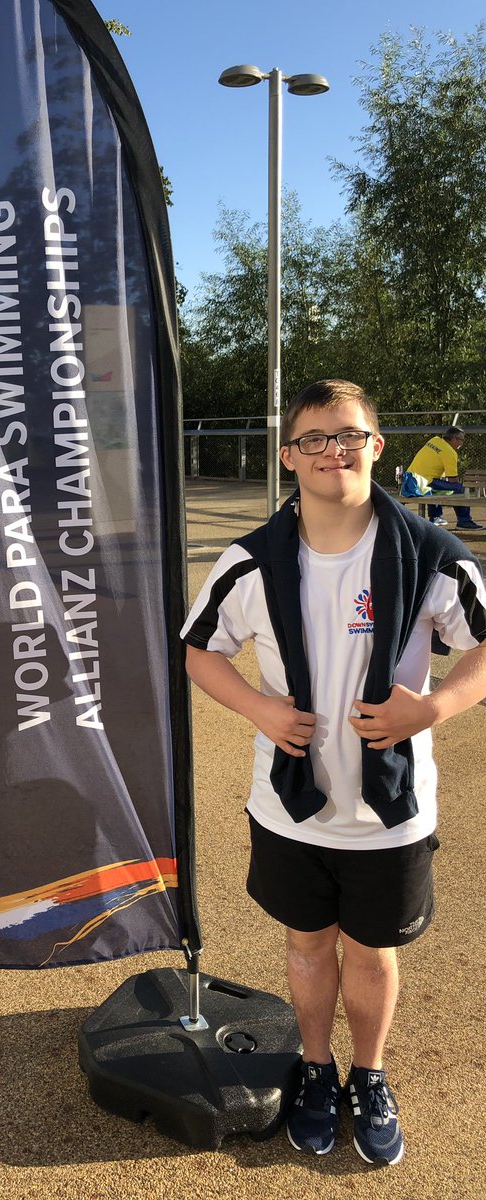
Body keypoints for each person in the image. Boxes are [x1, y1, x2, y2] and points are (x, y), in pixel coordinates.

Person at [182, 380, 486, 1166]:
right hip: (293, 808)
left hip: (391, 811)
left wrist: (437, 707)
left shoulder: (429, 552)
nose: (332, 450)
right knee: (309, 946)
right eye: (312, 438)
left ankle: (368, 1073)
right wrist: (259, 708)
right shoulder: (251, 560)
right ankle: (317, 1070)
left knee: (374, 953)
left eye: (348, 434)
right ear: (288, 457)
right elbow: (198, 651)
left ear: (376, 447)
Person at [403, 425, 483, 530]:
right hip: (424, 483)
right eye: (461, 440)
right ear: (454, 439)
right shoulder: (450, 453)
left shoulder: (434, 440)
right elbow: (452, 480)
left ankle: (435, 517)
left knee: (436, 484)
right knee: (460, 489)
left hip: (409, 480)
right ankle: (464, 521)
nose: (462, 443)